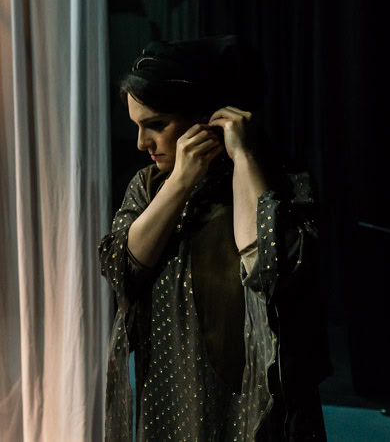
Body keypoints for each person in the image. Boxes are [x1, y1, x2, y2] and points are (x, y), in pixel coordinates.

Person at [99, 36, 331, 441]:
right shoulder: (150, 186)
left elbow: (269, 267)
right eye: (137, 126)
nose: (142, 143)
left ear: (206, 117)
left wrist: (242, 157)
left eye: (156, 125)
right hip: (172, 398)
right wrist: (181, 182)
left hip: (252, 398)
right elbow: (121, 267)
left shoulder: (280, 182)